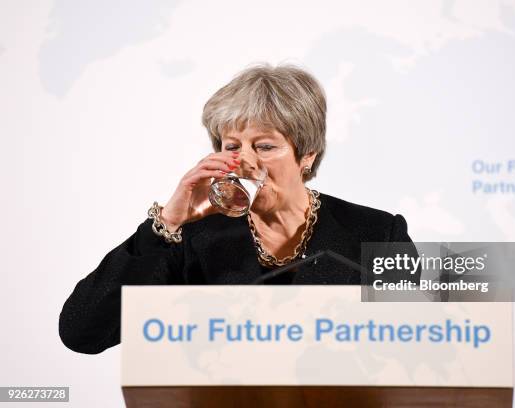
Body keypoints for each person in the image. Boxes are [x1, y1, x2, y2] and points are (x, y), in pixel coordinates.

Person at [59, 63, 416, 354]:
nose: (244, 161)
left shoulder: (378, 234)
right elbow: (82, 333)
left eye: (263, 146)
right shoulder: (190, 238)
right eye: (232, 146)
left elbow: (414, 352)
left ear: (307, 155)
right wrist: (166, 222)